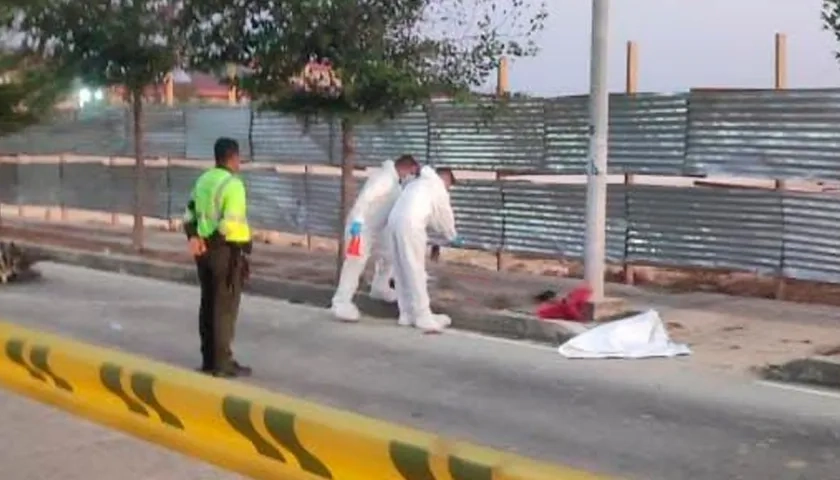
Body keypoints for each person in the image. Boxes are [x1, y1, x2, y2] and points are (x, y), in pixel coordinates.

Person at [182, 137, 253, 378]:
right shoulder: (233, 185)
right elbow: (229, 223)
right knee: (224, 308)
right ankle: (223, 364)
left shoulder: (203, 180)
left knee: (208, 303)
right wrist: (210, 242)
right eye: (238, 158)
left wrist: (195, 238)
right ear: (233, 157)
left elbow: (188, 214)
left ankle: (208, 360)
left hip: (202, 253)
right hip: (225, 252)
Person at [331, 154, 421, 322]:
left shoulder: (394, 182)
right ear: (406, 168)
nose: (411, 177)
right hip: (360, 227)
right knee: (355, 263)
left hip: (374, 229)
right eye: (412, 172)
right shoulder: (385, 179)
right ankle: (341, 302)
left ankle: (380, 286)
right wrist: (357, 222)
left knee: (390, 253)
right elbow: (366, 199)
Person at [387, 166, 462, 333]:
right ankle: (423, 316)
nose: (448, 189)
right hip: (411, 225)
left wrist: (443, 230)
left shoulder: (416, 184)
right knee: (415, 270)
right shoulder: (436, 186)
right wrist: (451, 234)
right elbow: (444, 215)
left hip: (394, 222)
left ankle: (406, 313)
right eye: (450, 185)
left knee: (401, 269)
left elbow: (432, 215)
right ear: (446, 179)